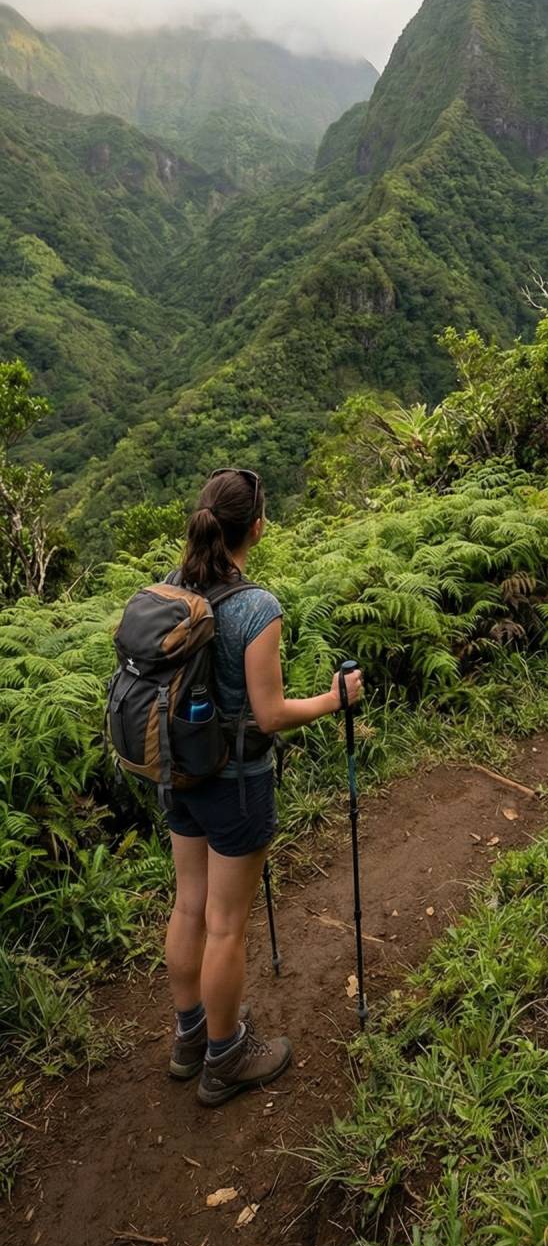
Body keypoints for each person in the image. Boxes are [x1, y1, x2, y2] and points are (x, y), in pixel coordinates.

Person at [161, 466, 363, 1106]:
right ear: (257, 528)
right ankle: (227, 1057)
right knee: (225, 925)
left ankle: (189, 1037)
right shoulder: (257, 608)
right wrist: (335, 699)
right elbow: (269, 713)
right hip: (236, 784)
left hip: (177, 773)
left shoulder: (168, 588)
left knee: (189, 906)